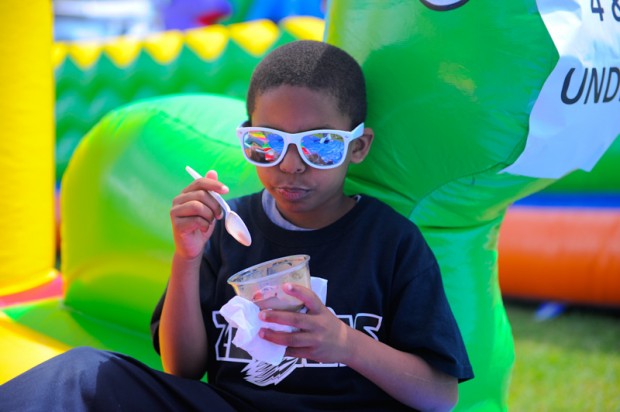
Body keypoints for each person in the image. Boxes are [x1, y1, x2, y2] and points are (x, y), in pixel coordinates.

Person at [0, 40, 472, 411]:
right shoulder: (230, 227)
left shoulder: (391, 242)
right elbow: (182, 370)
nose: (290, 164)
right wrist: (187, 257)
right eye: (267, 143)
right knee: (81, 374)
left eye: (320, 145)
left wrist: (346, 344)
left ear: (358, 146)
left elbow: (440, 395)